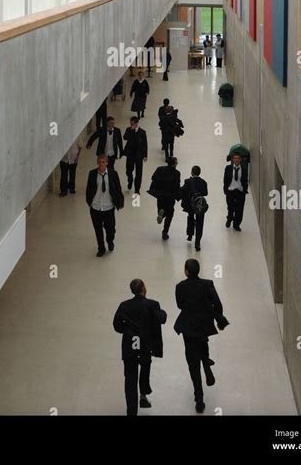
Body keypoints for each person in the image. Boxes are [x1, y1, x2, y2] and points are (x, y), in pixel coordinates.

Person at [174, 259, 229, 413]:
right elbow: (217, 304)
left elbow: (180, 305)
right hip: (204, 324)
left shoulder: (180, 287)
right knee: (203, 344)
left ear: (186, 272)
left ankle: (199, 399)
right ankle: (207, 366)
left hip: (189, 327)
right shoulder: (207, 284)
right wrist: (219, 320)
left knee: (192, 364)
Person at [113, 279, 167, 416]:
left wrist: (128, 330)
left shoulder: (124, 305)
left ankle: (131, 411)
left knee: (130, 379)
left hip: (130, 345)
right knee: (145, 367)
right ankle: (143, 395)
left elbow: (117, 325)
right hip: (145, 345)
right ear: (144, 289)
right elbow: (162, 319)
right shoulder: (152, 305)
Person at [86, 154, 124, 257]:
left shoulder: (113, 174)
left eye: (103, 162)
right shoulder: (92, 174)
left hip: (108, 207)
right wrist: (90, 202)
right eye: (100, 162)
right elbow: (89, 189)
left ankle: (110, 241)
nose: (101, 164)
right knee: (98, 229)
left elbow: (118, 188)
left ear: (107, 163)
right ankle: (101, 248)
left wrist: (120, 201)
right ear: (97, 163)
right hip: (96, 207)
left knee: (110, 229)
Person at [149, 156, 181, 241]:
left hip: (160, 194)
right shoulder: (176, 173)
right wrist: (179, 196)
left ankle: (162, 213)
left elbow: (153, 178)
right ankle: (165, 232)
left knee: (161, 207)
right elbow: (177, 186)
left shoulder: (160, 169)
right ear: (174, 164)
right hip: (170, 196)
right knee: (170, 213)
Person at [181, 166, 209, 251]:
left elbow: (183, 191)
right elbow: (205, 193)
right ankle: (197, 243)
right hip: (199, 205)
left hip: (190, 204)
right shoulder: (203, 182)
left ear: (192, 172)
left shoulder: (188, 181)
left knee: (190, 218)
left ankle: (190, 234)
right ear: (199, 172)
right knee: (200, 223)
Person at [223, 151, 249, 231]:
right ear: (233, 160)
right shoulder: (228, 168)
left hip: (240, 191)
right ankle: (229, 218)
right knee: (230, 208)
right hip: (231, 190)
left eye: (238, 158)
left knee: (239, 209)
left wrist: (244, 190)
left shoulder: (244, 169)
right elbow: (225, 179)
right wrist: (226, 189)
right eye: (235, 158)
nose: (236, 160)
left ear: (241, 160)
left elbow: (245, 180)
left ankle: (236, 224)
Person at [123, 116, 148, 194]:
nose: (131, 125)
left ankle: (137, 189)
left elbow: (145, 144)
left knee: (139, 172)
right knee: (128, 170)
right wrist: (131, 130)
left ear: (137, 123)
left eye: (132, 123)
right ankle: (130, 180)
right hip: (130, 154)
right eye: (130, 123)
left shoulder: (142, 132)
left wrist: (145, 155)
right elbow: (125, 137)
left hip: (139, 155)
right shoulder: (128, 129)